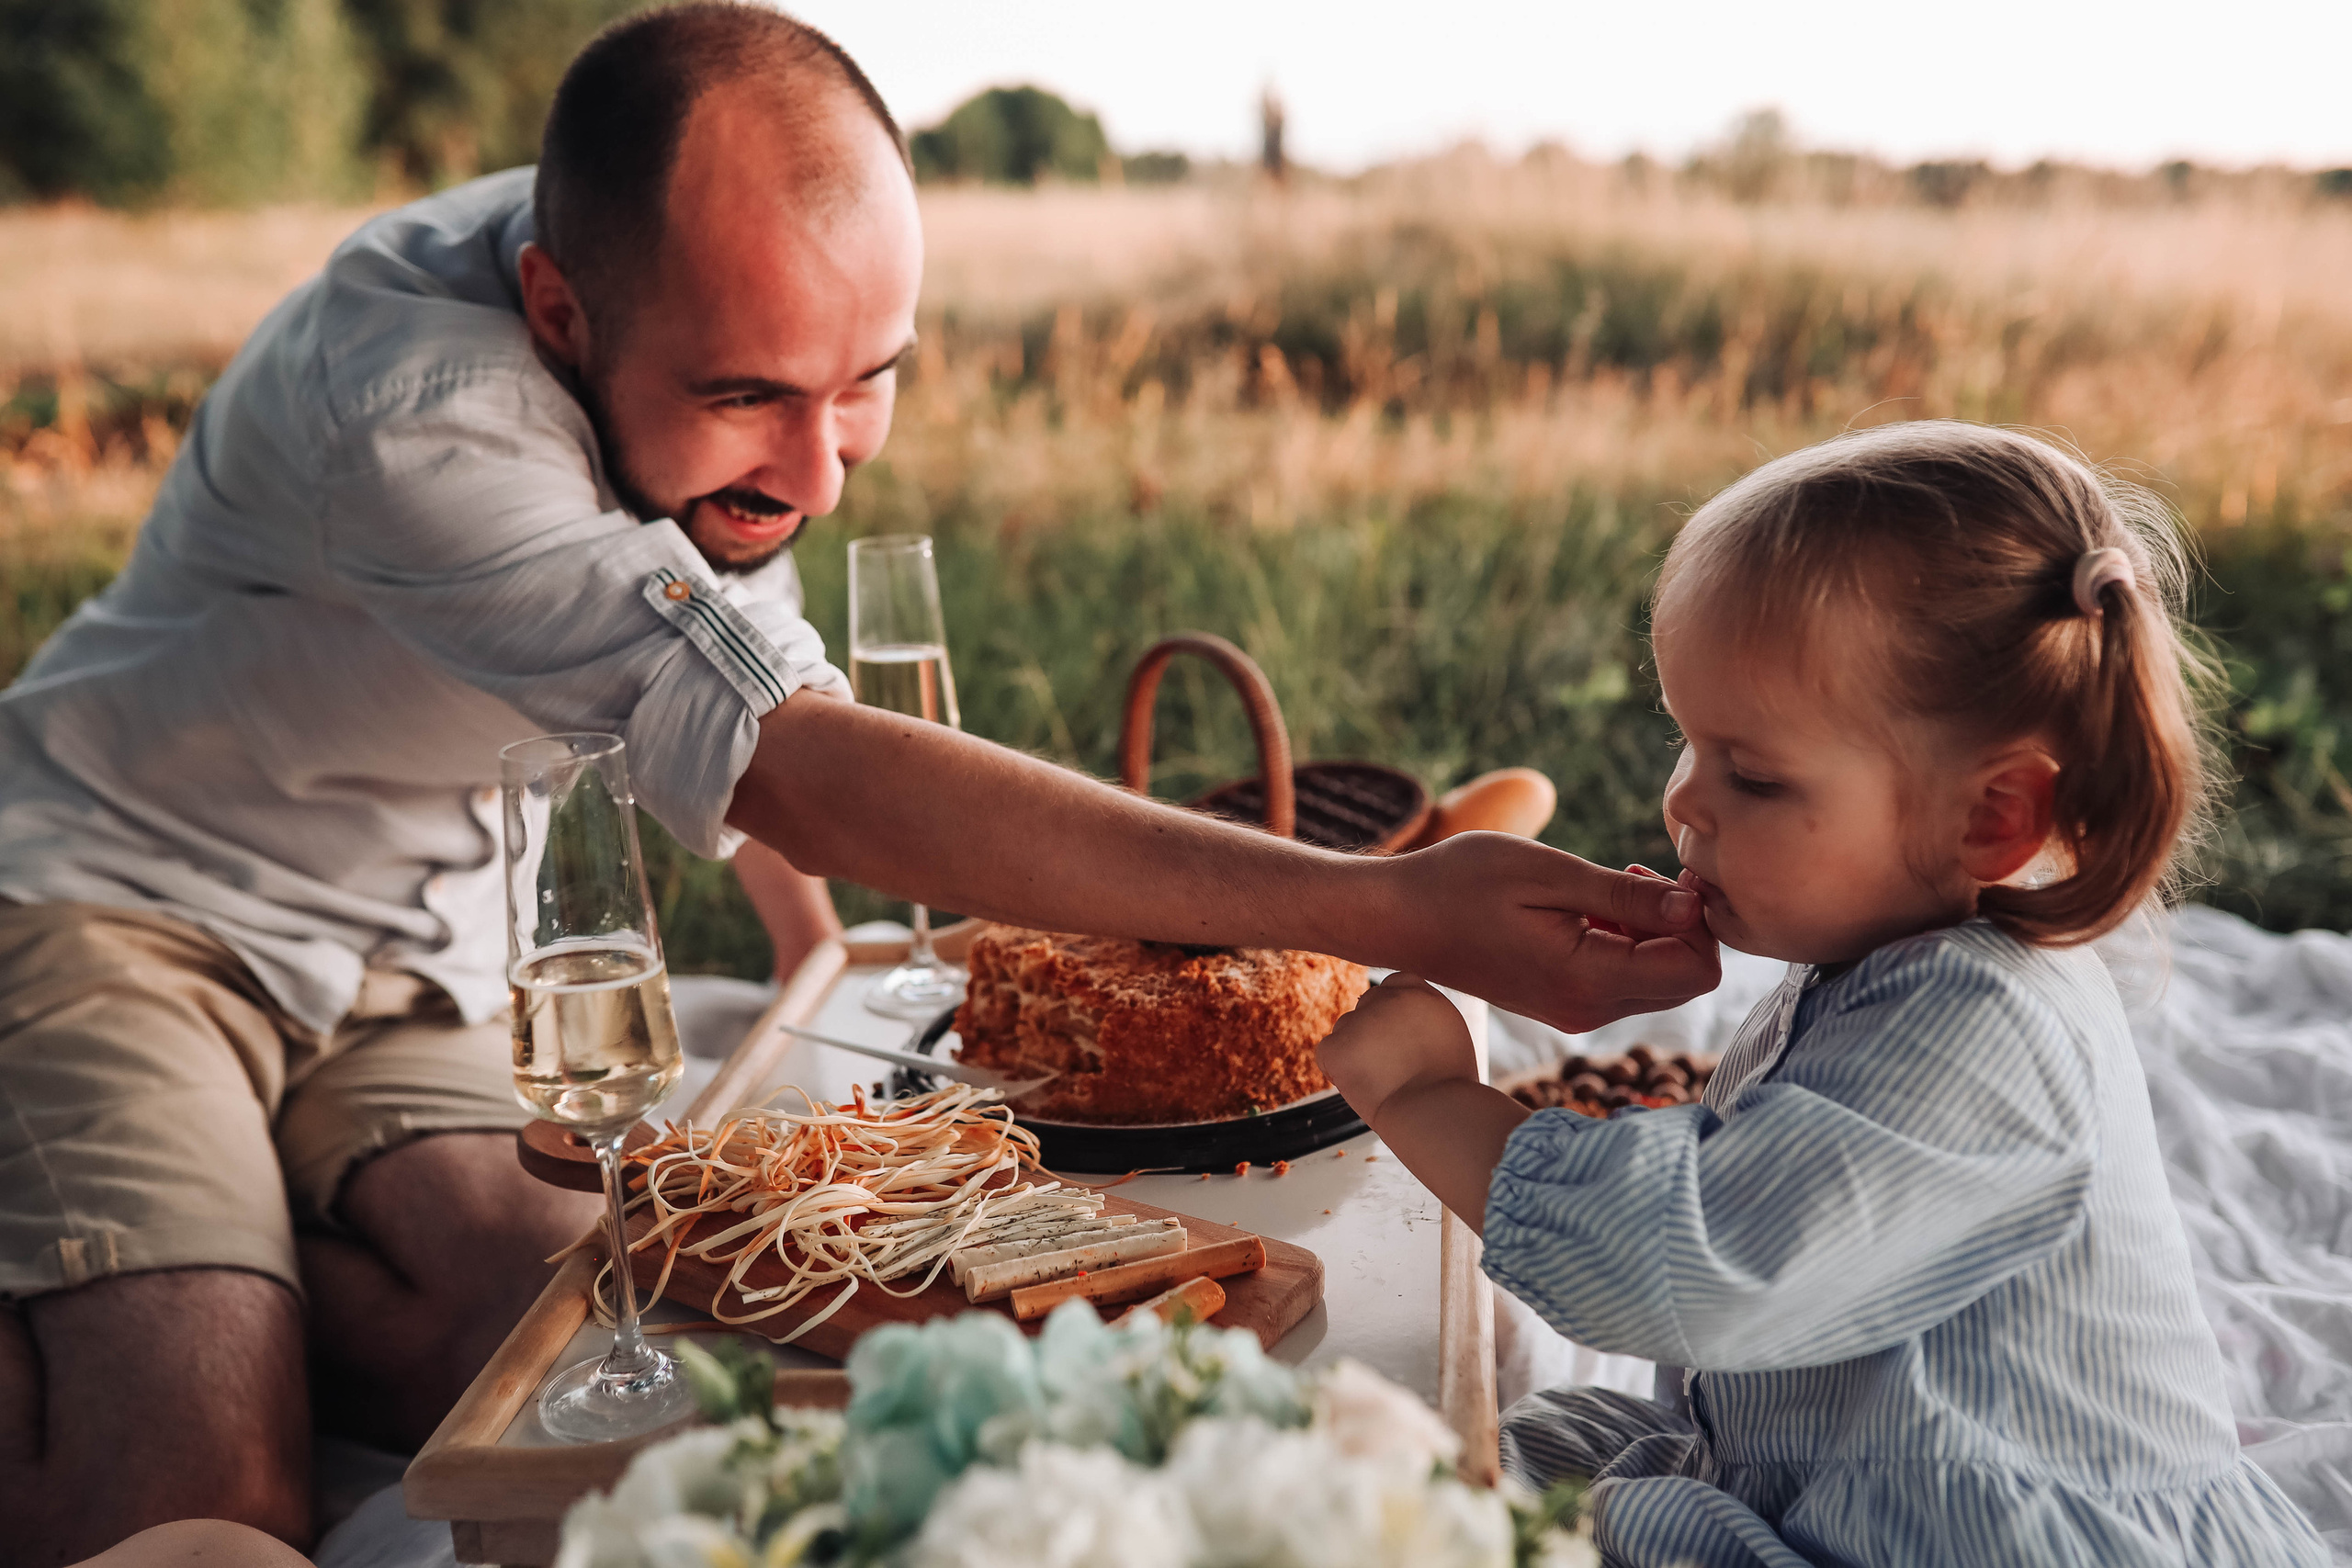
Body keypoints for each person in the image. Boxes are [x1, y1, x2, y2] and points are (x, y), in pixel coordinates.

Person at [0, 4, 1716, 1556]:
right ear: (556, 311)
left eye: (868, 383)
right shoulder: (420, 418)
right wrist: (1377, 903)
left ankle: (217, 1247)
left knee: (600, 1346)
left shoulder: (678, 319)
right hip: (126, 899)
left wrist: (826, 976)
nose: (817, 466)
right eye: (754, 397)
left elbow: (744, 698)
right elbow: (795, 762)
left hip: (420, 950)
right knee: (201, 1493)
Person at [1317, 423, 2330, 1565]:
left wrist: (1432, 1095)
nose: (1683, 802)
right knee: (1464, 1456)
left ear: (1992, 817)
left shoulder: (1984, 1031)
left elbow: (1692, 1269)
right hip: (1824, 1458)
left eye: (1751, 774)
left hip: (1989, 1533)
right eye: (1687, 744)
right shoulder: (1882, 962)